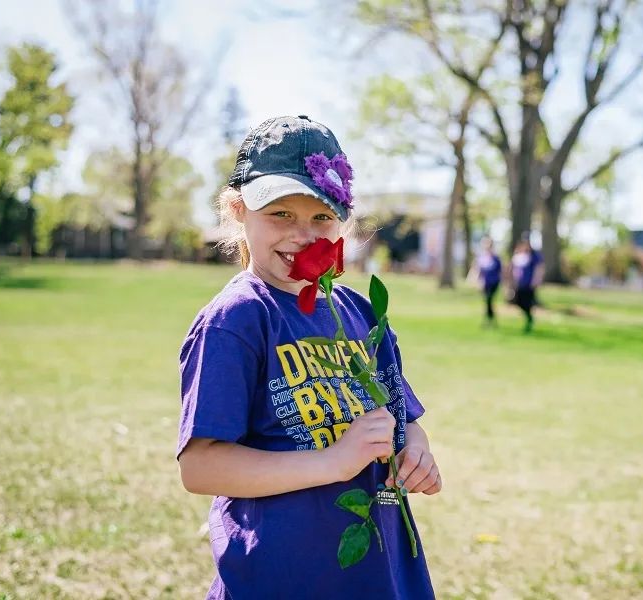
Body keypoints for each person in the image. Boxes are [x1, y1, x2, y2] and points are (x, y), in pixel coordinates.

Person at [176, 115, 440, 599]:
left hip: (378, 578)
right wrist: (332, 462)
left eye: (320, 217)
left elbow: (405, 419)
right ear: (238, 210)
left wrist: (415, 450)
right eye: (280, 213)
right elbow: (200, 467)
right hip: (283, 577)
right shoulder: (238, 320)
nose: (301, 234)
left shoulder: (361, 314)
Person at [510, 234, 544, 333]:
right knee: (517, 300)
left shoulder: (534, 255)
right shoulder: (519, 254)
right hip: (519, 283)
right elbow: (513, 269)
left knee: (527, 302)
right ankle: (529, 317)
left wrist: (536, 280)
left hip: (529, 283)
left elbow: (539, 268)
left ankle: (529, 321)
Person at [473, 237, 502, 326]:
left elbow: (500, 271)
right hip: (484, 283)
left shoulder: (496, 258)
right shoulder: (481, 258)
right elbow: (477, 270)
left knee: (489, 299)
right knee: (487, 302)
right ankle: (490, 320)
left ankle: (490, 320)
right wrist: (477, 281)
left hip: (494, 282)